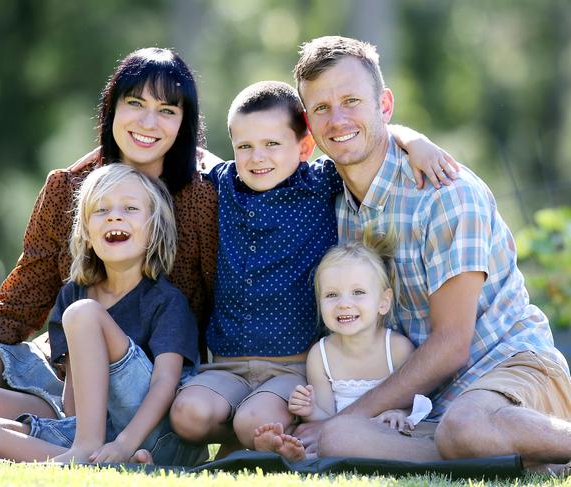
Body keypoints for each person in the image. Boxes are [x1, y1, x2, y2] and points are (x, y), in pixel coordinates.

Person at [0, 48, 217, 459]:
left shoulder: (204, 196)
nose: (148, 122)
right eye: (134, 103)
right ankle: (81, 456)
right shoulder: (71, 186)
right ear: (112, 108)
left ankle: (92, 454)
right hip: (62, 378)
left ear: (184, 122)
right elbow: (13, 310)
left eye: (167, 110)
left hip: (143, 391)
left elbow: (223, 312)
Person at [293, 35, 571, 472]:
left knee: (462, 426)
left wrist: (351, 411)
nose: (338, 119)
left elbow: (452, 346)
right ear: (308, 123)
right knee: (339, 436)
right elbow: (249, 160)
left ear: (384, 106)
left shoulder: (446, 194)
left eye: (351, 101)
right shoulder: (330, 193)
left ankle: (520, 443)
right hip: (425, 406)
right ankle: (506, 460)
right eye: (322, 108)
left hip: (508, 369)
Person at [169, 80, 456, 455]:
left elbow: (372, 141)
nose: (257, 158)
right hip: (226, 365)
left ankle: (258, 435)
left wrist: (414, 141)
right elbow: (169, 152)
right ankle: (239, 441)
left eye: (272, 144)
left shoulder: (320, 181)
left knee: (254, 422)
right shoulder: (223, 183)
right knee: (187, 416)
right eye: (245, 147)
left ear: (304, 146)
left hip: (293, 368)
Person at [0, 163, 200, 464]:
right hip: (97, 434)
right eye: (101, 210)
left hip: (152, 435)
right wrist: (91, 439)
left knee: (85, 314)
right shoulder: (73, 294)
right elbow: (73, 404)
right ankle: (100, 466)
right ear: (86, 232)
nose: (114, 215)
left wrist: (125, 443)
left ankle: (92, 455)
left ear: (154, 229)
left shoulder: (166, 301)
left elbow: (165, 385)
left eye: (130, 208)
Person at [254, 229, 434, 461]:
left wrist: (398, 412)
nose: (344, 304)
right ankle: (291, 451)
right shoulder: (321, 355)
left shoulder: (397, 349)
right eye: (331, 295)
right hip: (337, 434)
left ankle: (302, 455)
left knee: (392, 436)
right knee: (320, 438)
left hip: (384, 436)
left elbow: (414, 402)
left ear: (383, 302)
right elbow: (325, 417)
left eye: (358, 292)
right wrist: (310, 410)